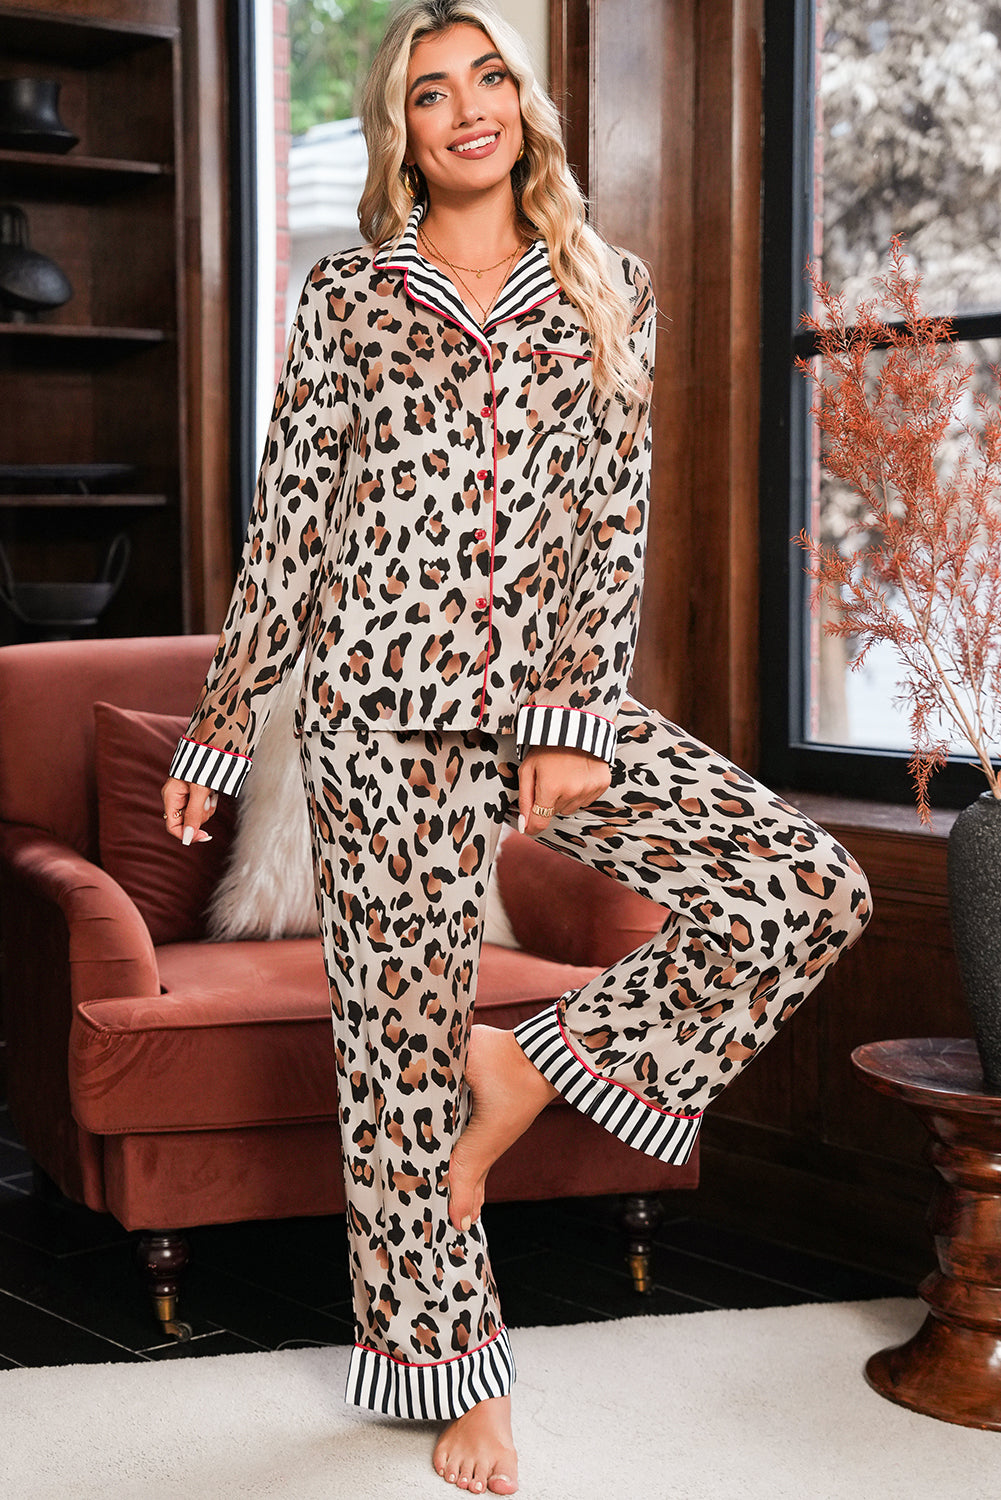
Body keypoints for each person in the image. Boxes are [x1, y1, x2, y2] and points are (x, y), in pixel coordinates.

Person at [161, 2, 871, 1492]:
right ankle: (456, 1378)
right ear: (401, 132)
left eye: (488, 77)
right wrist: (224, 733)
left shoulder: (605, 285)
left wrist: (565, 720)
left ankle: (534, 1063)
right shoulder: (348, 295)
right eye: (431, 92)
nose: (467, 107)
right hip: (371, 719)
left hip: (541, 708)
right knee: (394, 1060)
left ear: (523, 105)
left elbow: (611, 529)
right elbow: (290, 531)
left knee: (804, 886)